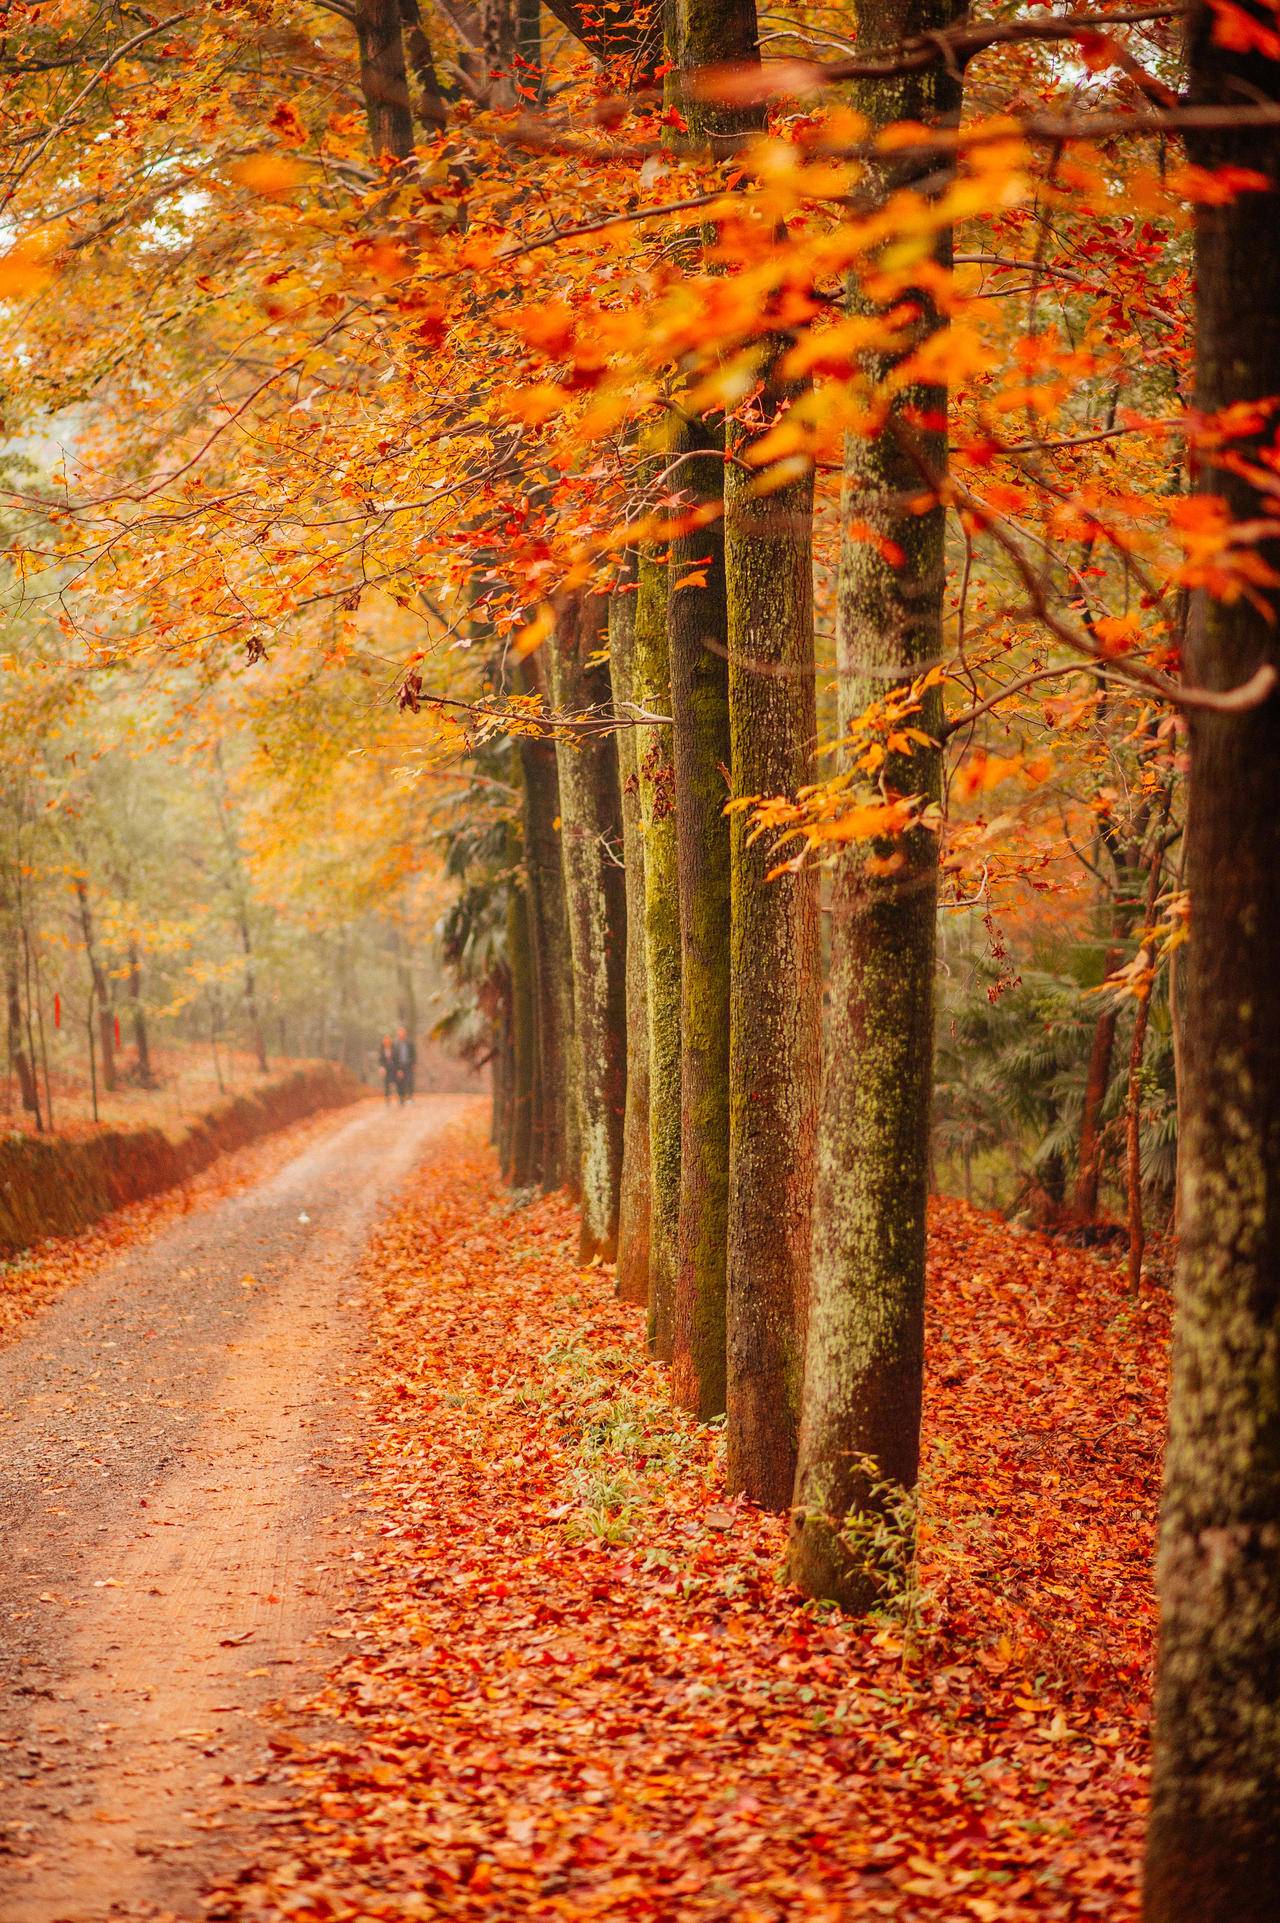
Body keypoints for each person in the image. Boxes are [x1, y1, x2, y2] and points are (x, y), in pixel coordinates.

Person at [392, 1024, 416, 1104]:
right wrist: (397, 1069)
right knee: (400, 1082)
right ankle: (401, 1098)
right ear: (397, 1034)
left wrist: (414, 1063)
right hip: (399, 1066)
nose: (401, 1034)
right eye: (399, 1033)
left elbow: (413, 1053)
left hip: (408, 1064)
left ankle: (410, 1098)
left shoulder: (409, 1042)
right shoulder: (395, 1044)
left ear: (405, 1033)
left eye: (402, 1033)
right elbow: (394, 1057)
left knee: (409, 1081)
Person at [378, 1033, 395, 1103]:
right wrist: (381, 1067)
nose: (387, 1041)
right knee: (386, 1082)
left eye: (388, 1040)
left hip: (393, 1066)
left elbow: (396, 1057)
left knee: (391, 1081)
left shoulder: (393, 1047)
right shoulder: (381, 1049)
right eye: (385, 1040)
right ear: (384, 1041)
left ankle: (392, 1088)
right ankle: (387, 1096)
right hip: (385, 1067)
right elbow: (380, 1059)